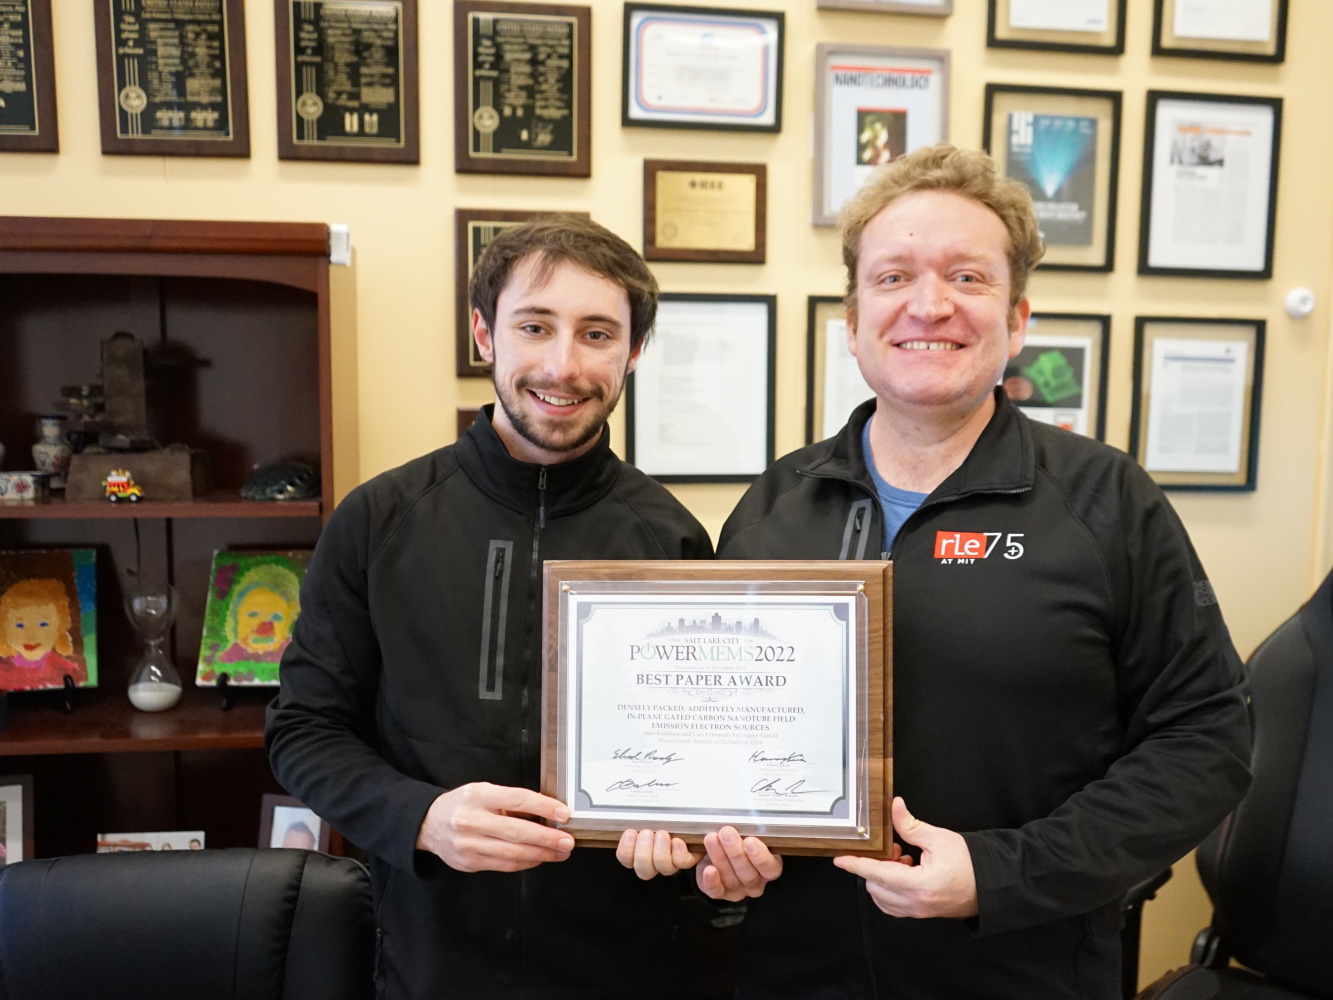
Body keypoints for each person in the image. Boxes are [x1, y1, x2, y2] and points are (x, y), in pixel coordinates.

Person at [620, 145, 1252, 999]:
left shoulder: (1106, 503)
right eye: (892, 277)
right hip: (793, 972)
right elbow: (724, 741)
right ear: (851, 319)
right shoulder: (775, 505)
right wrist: (709, 846)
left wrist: (1001, 874)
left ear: (1016, 316)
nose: (929, 304)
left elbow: (1206, 738)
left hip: (1020, 968)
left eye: (967, 276)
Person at [265, 215, 714, 1000]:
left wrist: (692, 838)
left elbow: (704, 759)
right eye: (534, 326)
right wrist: (421, 816)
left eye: (597, 334)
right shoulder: (378, 520)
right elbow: (303, 730)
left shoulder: (670, 536)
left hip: (628, 964)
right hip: (427, 957)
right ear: (484, 334)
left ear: (632, 352)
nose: (562, 364)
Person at [0, 578, 87, 689]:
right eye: (19, 625)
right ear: (4, 628)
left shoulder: (69, 672)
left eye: (43, 625)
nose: (31, 636)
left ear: (59, 627)